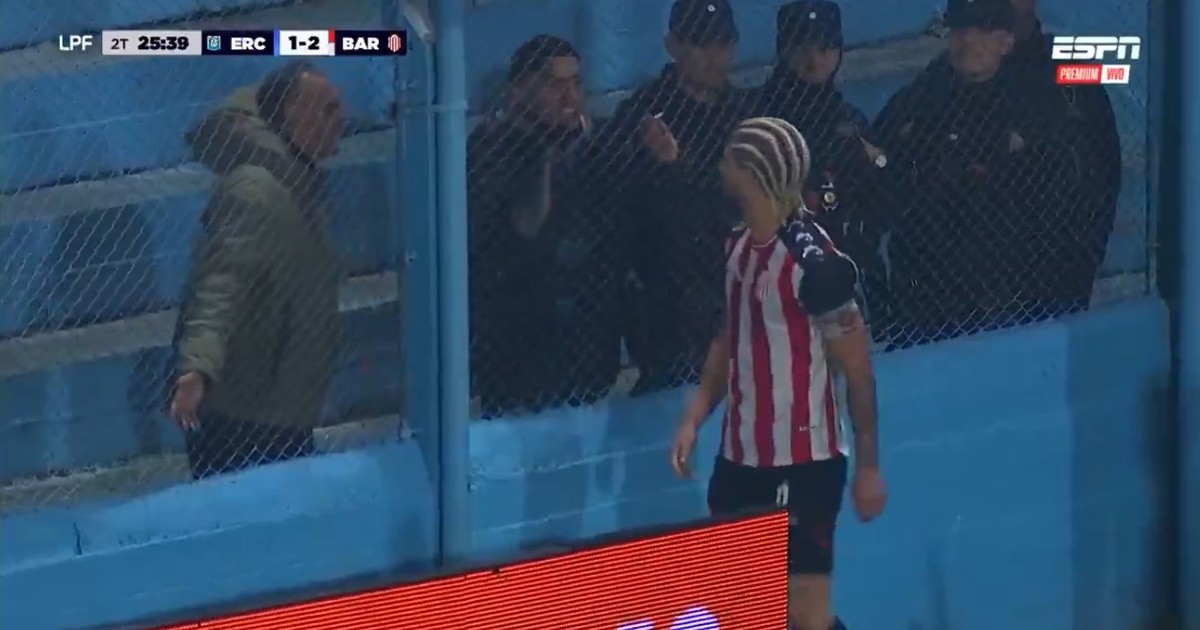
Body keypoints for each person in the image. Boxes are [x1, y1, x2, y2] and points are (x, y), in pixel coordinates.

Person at [670, 118, 887, 630]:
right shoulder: (737, 247)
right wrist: (694, 418)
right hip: (739, 458)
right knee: (743, 608)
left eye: (729, 158)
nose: (720, 167)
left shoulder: (814, 265)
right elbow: (731, 337)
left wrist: (869, 468)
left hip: (804, 462)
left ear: (752, 172)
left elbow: (858, 372)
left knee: (804, 612)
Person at [865, 0, 1080, 346]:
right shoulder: (924, 94)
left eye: (984, 30)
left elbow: (1056, 174)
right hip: (928, 280)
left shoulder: (1030, 98)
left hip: (1007, 279)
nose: (970, 40)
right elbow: (876, 152)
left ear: (1006, 42)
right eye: (962, 29)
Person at [169, 61, 345, 478]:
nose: (341, 121)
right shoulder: (258, 191)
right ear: (291, 116)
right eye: (328, 109)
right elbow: (220, 284)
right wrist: (197, 367)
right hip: (247, 418)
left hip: (277, 409)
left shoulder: (297, 189)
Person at [467, 35, 625, 417]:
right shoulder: (489, 148)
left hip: (588, 348)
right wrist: (546, 157)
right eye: (555, 85)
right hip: (520, 349)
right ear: (518, 91)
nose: (570, 97)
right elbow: (524, 227)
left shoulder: (592, 143)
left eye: (575, 84)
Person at [608, 0, 748, 394]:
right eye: (702, 44)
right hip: (670, 300)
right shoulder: (644, 115)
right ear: (673, 46)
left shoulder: (745, 112)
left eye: (723, 44)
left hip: (740, 284)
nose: (714, 56)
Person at [748, 0, 891, 331]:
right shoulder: (759, 117)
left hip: (849, 267)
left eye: (825, 47)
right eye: (801, 47)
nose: (814, 58)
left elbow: (883, 188)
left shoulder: (850, 121)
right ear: (784, 50)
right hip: (783, 276)